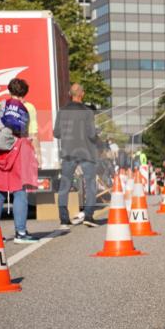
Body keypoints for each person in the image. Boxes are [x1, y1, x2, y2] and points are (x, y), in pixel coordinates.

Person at [0, 78, 41, 241]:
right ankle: (21, 233)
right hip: (18, 151)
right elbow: (32, 134)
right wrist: (38, 155)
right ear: (25, 92)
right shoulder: (28, 108)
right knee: (19, 191)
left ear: (9, 90)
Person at [54, 83, 102, 229]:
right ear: (82, 94)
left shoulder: (62, 111)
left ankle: (63, 219)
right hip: (86, 152)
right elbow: (91, 134)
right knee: (90, 184)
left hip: (69, 151)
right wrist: (97, 135)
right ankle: (88, 216)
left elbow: (56, 133)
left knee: (65, 185)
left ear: (70, 94)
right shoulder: (88, 112)